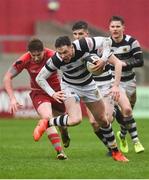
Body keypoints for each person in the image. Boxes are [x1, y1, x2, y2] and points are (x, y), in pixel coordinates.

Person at [34, 35, 129, 162]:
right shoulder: (56, 60)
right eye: (60, 53)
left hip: (89, 85)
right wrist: (52, 93)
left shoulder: (84, 44)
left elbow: (107, 40)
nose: (63, 56)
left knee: (103, 120)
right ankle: (47, 122)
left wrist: (103, 59)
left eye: (65, 52)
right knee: (75, 119)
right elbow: (39, 78)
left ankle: (116, 152)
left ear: (72, 47)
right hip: (69, 86)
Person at [3, 38, 69, 160]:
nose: (36, 58)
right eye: (33, 55)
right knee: (47, 118)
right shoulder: (24, 59)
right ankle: (60, 151)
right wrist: (12, 98)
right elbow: (7, 78)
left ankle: (64, 133)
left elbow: (68, 67)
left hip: (57, 92)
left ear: (44, 51)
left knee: (63, 124)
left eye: (39, 55)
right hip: (39, 93)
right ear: (29, 53)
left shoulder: (53, 55)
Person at [71, 20, 124, 155]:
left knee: (107, 119)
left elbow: (118, 64)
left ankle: (115, 112)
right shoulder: (73, 52)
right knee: (94, 123)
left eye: (81, 33)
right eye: (75, 34)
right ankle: (110, 148)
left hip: (106, 86)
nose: (78, 37)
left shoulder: (98, 47)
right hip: (91, 88)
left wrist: (116, 87)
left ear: (87, 34)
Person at [109, 15, 144, 153]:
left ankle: (122, 136)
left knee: (127, 113)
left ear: (123, 27)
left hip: (130, 81)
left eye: (118, 26)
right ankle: (136, 142)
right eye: (113, 26)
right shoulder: (106, 43)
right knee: (127, 110)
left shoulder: (132, 42)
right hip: (115, 83)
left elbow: (140, 61)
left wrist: (124, 64)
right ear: (109, 28)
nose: (115, 29)